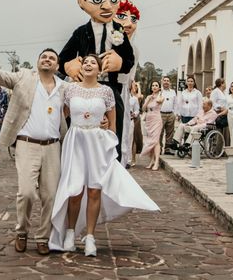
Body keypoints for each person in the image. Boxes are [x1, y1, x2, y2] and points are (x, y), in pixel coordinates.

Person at [49, 54, 159, 256]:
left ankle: (90, 236)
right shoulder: (70, 89)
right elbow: (61, 115)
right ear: (81, 68)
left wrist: (107, 128)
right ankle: (70, 232)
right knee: (74, 190)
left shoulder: (106, 92)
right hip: (76, 141)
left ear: (100, 70)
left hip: (97, 143)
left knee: (94, 190)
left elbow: (113, 125)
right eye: (86, 62)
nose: (89, 64)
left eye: (93, 62)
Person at [0, 42, 68, 256]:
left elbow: (83, 104)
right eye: (44, 57)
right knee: (27, 193)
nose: (47, 59)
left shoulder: (64, 87)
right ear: (38, 61)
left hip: (53, 147)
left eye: (52, 58)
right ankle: (21, 231)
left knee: (50, 196)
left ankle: (43, 237)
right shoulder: (23, 77)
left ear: (57, 65)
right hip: (26, 143)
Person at [59, 0, 135, 163]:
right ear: (82, 0)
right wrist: (69, 65)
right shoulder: (81, 32)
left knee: (111, 135)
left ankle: (111, 173)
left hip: (110, 90)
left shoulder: (119, 31)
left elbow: (129, 60)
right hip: (82, 90)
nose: (107, 5)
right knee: (77, 133)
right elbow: (63, 59)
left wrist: (120, 63)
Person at [114, 0, 141, 166]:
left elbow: (130, 79)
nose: (129, 24)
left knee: (122, 134)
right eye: (122, 17)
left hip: (122, 92)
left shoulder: (135, 50)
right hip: (104, 89)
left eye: (133, 19)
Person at [140, 81, 163, 170]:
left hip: (156, 119)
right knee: (151, 140)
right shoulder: (148, 97)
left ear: (159, 87)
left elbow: (159, 101)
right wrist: (148, 99)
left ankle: (156, 162)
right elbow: (143, 108)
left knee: (156, 141)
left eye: (156, 85)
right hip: (149, 120)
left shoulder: (160, 96)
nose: (154, 87)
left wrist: (159, 93)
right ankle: (151, 161)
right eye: (153, 85)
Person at [159, 76, 177, 155]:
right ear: (162, 82)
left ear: (169, 83)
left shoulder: (173, 92)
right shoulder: (159, 92)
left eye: (168, 81)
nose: (166, 82)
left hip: (170, 114)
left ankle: (167, 149)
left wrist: (175, 113)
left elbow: (175, 103)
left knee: (170, 133)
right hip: (161, 114)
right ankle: (159, 148)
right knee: (160, 132)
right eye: (165, 80)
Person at [129, 81, 142, 167]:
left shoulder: (134, 98)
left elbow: (137, 109)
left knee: (132, 140)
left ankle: (132, 159)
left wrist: (135, 113)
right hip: (122, 120)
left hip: (131, 120)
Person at [211, 78, 229, 144]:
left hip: (226, 113)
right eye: (225, 83)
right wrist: (221, 108)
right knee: (219, 131)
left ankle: (225, 147)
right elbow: (213, 102)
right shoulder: (215, 91)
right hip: (219, 113)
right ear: (222, 84)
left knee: (225, 132)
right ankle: (218, 149)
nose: (226, 85)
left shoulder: (224, 92)